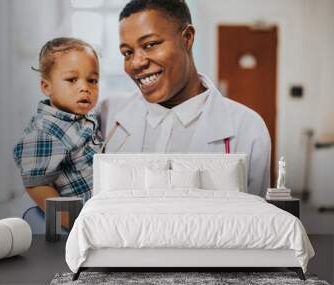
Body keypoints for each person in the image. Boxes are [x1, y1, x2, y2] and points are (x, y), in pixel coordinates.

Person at [99, 0, 271, 196]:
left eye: (150, 44)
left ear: (187, 38)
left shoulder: (247, 127)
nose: (136, 63)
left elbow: (256, 219)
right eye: (127, 53)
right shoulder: (108, 114)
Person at [13, 37, 103, 227]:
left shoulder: (82, 117)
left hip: (101, 208)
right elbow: (37, 185)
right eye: (72, 80)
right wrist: (73, 223)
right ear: (47, 86)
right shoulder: (44, 131)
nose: (84, 87)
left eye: (92, 80)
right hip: (80, 221)